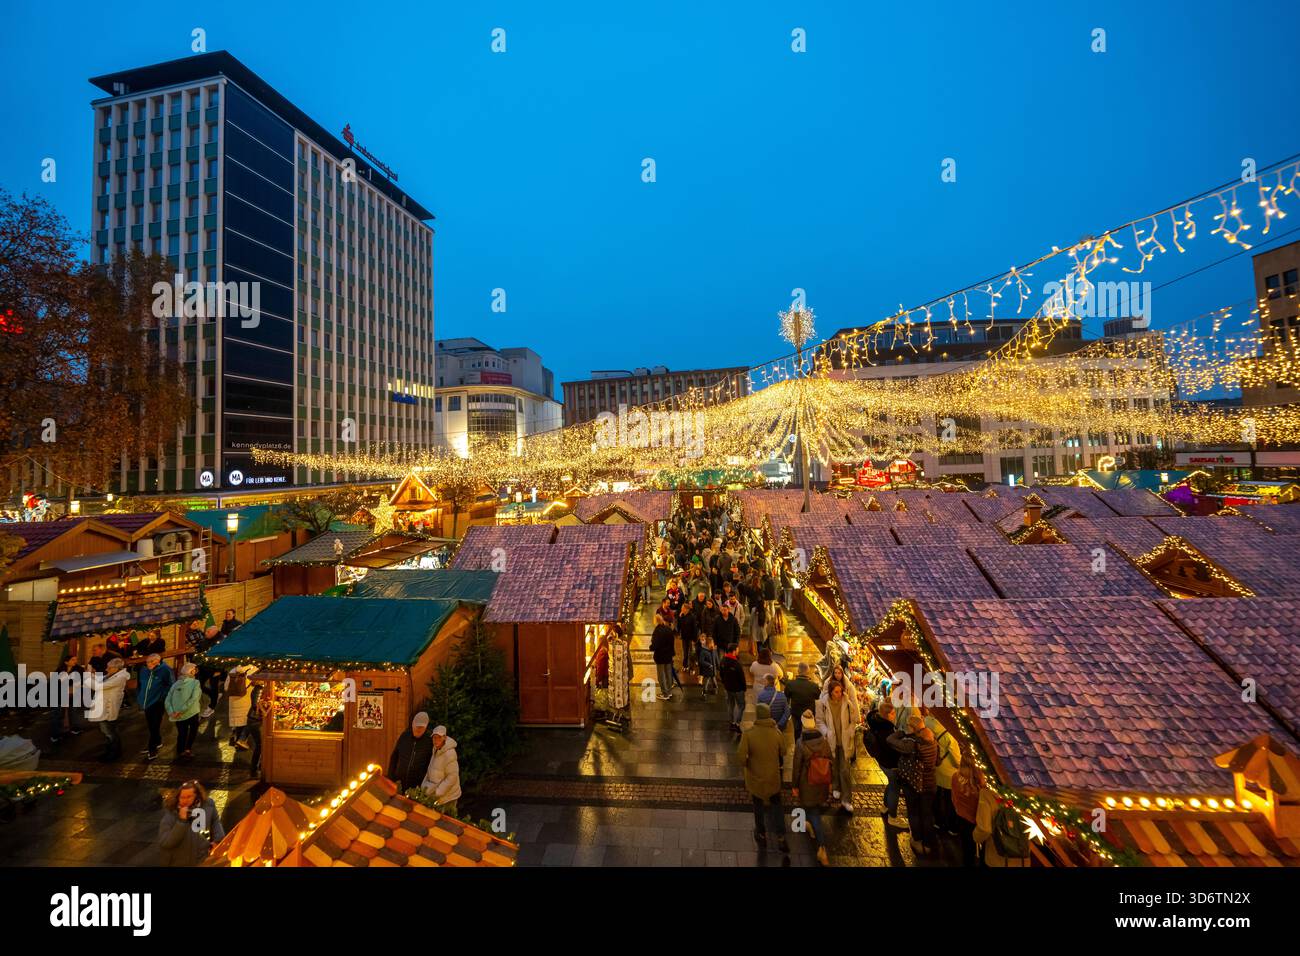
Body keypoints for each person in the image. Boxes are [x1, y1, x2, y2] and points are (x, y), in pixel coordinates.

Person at [737, 702, 787, 854]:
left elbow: (741, 757)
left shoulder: (749, 734)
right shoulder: (777, 733)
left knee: (757, 805)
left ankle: (761, 833)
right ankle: (781, 836)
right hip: (773, 777)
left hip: (756, 777)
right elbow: (783, 751)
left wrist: (748, 765)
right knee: (777, 806)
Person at [888, 713, 938, 855]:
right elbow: (938, 761)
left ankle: (917, 841)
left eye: (907, 725)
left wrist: (903, 732)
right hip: (930, 783)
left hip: (913, 784)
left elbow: (890, 740)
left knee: (914, 812)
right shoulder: (933, 740)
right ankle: (928, 844)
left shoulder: (911, 744)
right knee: (927, 814)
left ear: (912, 728)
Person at [791, 709, 832, 866]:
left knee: (814, 812)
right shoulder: (824, 741)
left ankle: (822, 848)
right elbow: (831, 761)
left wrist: (795, 786)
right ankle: (809, 825)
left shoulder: (801, 743)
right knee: (814, 808)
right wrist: (831, 782)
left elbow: (796, 767)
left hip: (807, 783)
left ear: (803, 724)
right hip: (822, 781)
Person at [816, 679, 860, 814]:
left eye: (840, 691)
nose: (839, 694)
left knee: (845, 770)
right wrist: (826, 732)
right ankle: (835, 787)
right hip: (832, 741)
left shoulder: (847, 702)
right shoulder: (822, 703)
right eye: (836, 692)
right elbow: (819, 721)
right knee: (834, 766)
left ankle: (846, 799)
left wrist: (851, 730)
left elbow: (854, 719)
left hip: (845, 740)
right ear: (830, 692)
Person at [159, 780, 224, 866]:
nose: (185, 800)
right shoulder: (171, 814)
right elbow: (166, 843)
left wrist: (218, 841)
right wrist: (181, 821)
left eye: (189, 797)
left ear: (197, 796)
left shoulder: (208, 806)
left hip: (202, 860)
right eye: (182, 797)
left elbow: (215, 822)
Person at [85, 658, 129, 762]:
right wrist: (91, 675)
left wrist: (86, 677)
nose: (106, 669)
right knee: (108, 732)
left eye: (109, 667)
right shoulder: (112, 675)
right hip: (104, 708)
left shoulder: (120, 678)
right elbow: (100, 679)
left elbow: (98, 686)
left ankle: (113, 754)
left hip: (108, 709)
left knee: (110, 732)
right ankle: (110, 752)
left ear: (117, 668)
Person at [866, 699, 902, 826]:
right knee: (895, 788)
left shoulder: (876, 722)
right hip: (890, 763)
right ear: (888, 715)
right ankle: (893, 816)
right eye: (893, 713)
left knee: (891, 784)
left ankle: (885, 806)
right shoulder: (887, 730)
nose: (894, 715)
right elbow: (892, 749)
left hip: (882, 760)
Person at [137, 652, 175, 761]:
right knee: (151, 725)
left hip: (157, 702)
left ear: (158, 661)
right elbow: (140, 685)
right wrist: (139, 697)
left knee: (155, 725)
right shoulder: (143, 670)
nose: (149, 664)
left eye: (151, 662)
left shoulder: (165, 670)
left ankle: (152, 748)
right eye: (147, 662)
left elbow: (171, 685)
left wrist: (161, 697)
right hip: (146, 702)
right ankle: (157, 741)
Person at [928, 713, 961, 835]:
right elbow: (956, 760)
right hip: (949, 772)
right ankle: (951, 826)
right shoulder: (949, 735)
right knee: (949, 800)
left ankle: (938, 821)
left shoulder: (928, 723)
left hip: (936, 766)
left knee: (937, 796)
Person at [388, 711, 436, 791]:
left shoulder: (428, 742)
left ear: (425, 728)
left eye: (422, 728)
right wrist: (391, 777)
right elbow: (394, 757)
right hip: (399, 782)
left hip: (416, 786)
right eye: (417, 727)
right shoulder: (404, 736)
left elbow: (430, 764)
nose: (419, 729)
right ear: (413, 725)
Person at [166, 662, 203, 760]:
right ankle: (187, 749)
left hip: (177, 714)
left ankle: (180, 750)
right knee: (193, 731)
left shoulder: (175, 684)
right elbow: (194, 698)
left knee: (182, 733)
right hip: (192, 713)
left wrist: (171, 712)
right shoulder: (195, 683)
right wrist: (181, 710)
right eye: (194, 670)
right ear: (191, 672)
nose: (196, 672)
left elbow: (168, 699)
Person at [421, 725, 461, 816]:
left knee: (446, 822)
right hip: (437, 797)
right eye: (434, 738)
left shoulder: (449, 754)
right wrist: (424, 787)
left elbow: (452, 777)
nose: (436, 740)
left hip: (448, 798)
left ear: (444, 738)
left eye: (439, 737)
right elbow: (430, 770)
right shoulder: (436, 750)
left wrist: (437, 793)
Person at [784, 663, 821, 745]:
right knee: (809, 735)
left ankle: (798, 747)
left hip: (796, 714)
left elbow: (786, 697)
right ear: (808, 671)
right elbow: (818, 697)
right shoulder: (813, 686)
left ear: (798, 671)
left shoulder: (790, 684)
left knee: (797, 734)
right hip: (809, 715)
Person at [225, 663, 258, 748]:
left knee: (238, 721)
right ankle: (240, 741)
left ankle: (237, 738)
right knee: (246, 720)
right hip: (246, 699)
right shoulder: (254, 670)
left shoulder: (233, 670)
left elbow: (226, 687)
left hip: (233, 700)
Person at [719, 644, 747, 733]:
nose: (738, 651)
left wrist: (724, 682)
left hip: (728, 688)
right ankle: (737, 723)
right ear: (734, 651)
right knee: (741, 706)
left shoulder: (723, 661)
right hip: (738, 689)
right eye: (737, 650)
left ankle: (732, 722)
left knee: (730, 705)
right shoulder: (736, 664)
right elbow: (742, 678)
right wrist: (744, 688)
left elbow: (721, 674)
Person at [650, 614, 677, 702]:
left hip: (660, 656)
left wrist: (651, 647)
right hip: (668, 656)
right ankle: (669, 692)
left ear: (656, 621)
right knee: (668, 674)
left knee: (661, 676)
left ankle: (665, 693)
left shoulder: (657, 631)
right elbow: (672, 643)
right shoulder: (668, 629)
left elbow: (655, 644)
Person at [246, 682, 269, 778]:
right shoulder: (259, 689)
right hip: (255, 721)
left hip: (256, 720)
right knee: (260, 745)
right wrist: (266, 707)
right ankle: (254, 769)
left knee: (261, 745)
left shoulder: (260, 689)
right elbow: (256, 705)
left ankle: (258, 767)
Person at [677, 599, 699, 673]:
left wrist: (694, 639)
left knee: (691, 654)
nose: (681, 610)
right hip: (684, 638)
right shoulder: (682, 616)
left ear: (687, 609)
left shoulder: (692, 617)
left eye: (682, 608)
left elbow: (695, 629)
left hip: (690, 638)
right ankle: (685, 665)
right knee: (685, 652)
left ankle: (691, 668)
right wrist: (679, 617)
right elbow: (679, 626)